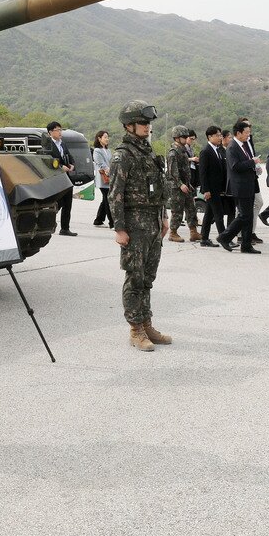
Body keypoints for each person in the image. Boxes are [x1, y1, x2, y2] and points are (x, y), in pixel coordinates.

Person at [110, 100, 171, 351]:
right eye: (143, 123)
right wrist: (120, 228)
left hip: (154, 222)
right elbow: (115, 194)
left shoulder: (147, 152)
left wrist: (164, 217)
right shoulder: (122, 155)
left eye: (148, 123)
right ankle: (135, 330)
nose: (148, 127)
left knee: (148, 278)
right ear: (129, 126)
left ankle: (146, 324)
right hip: (134, 225)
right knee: (135, 278)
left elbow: (160, 190)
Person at [217, 120, 260, 254]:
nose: (248, 135)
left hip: (249, 185)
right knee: (244, 215)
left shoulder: (245, 145)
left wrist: (254, 166)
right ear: (238, 133)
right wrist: (252, 162)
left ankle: (246, 245)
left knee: (247, 216)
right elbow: (235, 166)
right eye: (246, 132)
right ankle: (224, 236)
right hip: (240, 186)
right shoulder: (232, 147)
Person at [41, 121, 77, 236]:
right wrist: (61, 167)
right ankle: (45, 223)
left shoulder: (62, 143)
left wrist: (72, 164)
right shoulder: (47, 145)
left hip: (66, 177)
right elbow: (48, 160)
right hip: (55, 177)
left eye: (61, 130)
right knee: (57, 202)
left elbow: (69, 156)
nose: (60, 132)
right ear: (50, 132)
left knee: (68, 203)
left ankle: (65, 228)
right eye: (57, 130)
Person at [165, 126, 199, 242]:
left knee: (191, 208)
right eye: (184, 137)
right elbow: (172, 171)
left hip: (186, 184)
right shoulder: (173, 152)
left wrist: (187, 184)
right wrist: (180, 184)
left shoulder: (183, 150)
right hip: (177, 186)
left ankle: (193, 232)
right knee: (177, 210)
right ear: (177, 138)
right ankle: (173, 233)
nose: (186, 138)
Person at [197, 125, 227, 246]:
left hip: (217, 188)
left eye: (220, 135)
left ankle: (204, 238)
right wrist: (206, 190)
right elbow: (203, 173)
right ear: (210, 137)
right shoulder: (205, 151)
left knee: (209, 215)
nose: (220, 137)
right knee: (218, 214)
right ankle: (225, 238)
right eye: (217, 135)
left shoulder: (218, 150)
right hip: (211, 190)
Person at [92, 130, 113, 228]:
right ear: (99, 138)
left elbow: (111, 162)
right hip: (103, 178)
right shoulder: (97, 150)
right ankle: (112, 223)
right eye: (105, 137)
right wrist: (107, 169)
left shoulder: (108, 150)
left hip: (110, 177)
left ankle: (98, 220)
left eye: (107, 137)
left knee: (105, 200)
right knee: (108, 200)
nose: (107, 139)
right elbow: (100, 163)